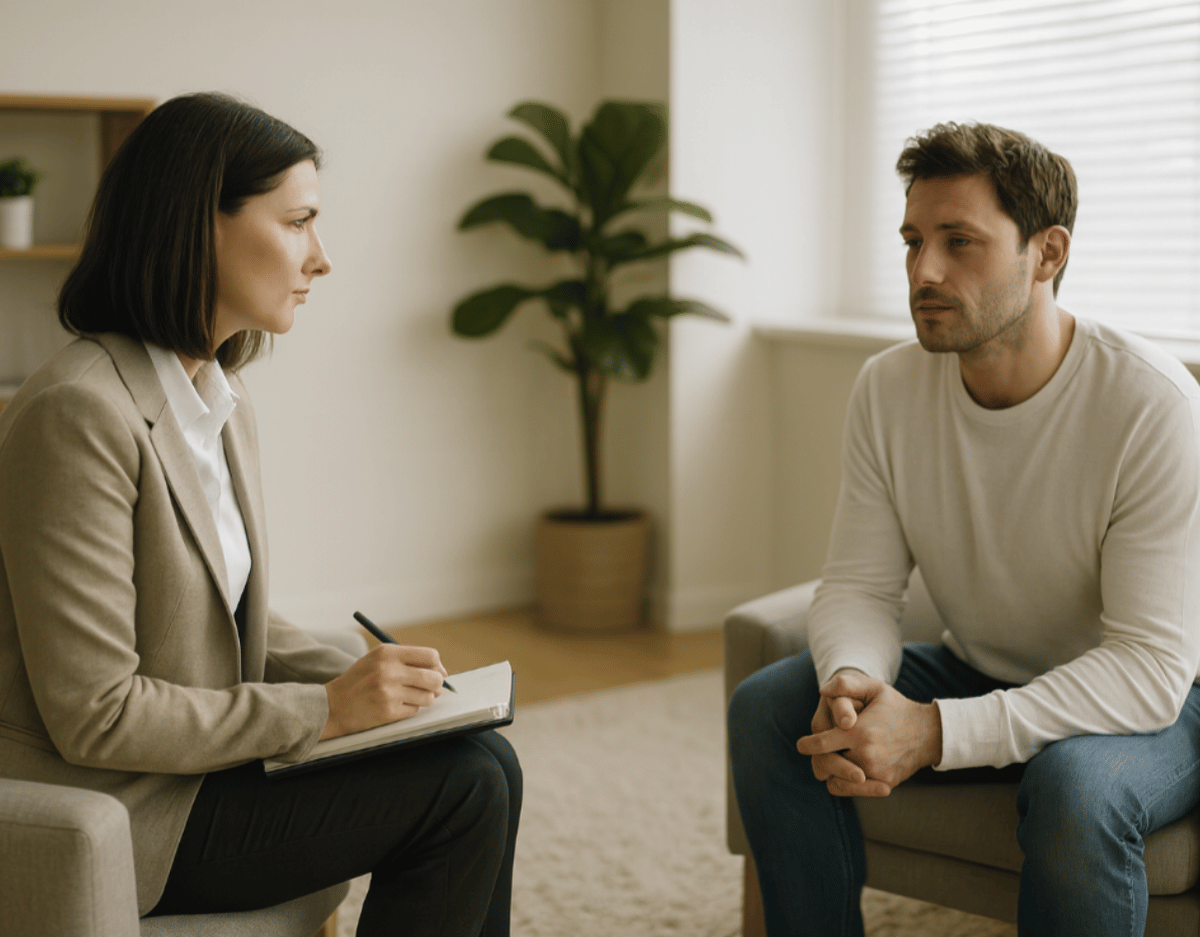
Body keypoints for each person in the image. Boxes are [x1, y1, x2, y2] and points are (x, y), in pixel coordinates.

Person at [0, 92, 520, 936]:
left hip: (195, 772)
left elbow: (223, 621)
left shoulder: (217, 397)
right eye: (298, 221)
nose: (321, 258)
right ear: (196, 224)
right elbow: (99, 710)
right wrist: (325, 710)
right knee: (461, 789)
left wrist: (388, 686)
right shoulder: (76, 413)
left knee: (481, 756)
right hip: (121, 810)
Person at [728, 121, 1200, 937]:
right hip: (982, 664)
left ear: (1046, 253)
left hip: (1162, 702)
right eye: (913, 240)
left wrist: (933, 731)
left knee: (1075, 787)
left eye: (959, 242)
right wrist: (849, 684)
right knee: (771, 707)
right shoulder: (888, 388)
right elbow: (862, 584)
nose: (925, 270)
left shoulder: (1148, 405)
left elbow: (1150, 667)